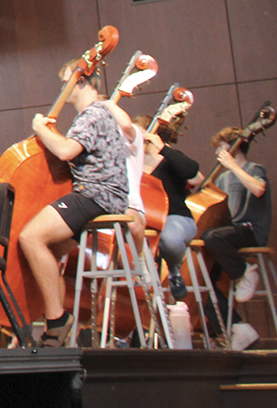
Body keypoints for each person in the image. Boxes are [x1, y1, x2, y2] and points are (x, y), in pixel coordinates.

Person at [13, 59, 131, 348]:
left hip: (97, 194)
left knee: (30, 237)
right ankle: (47, 316)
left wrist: (40, 128)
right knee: (47, 249)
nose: (62, 90)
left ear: (80, 81)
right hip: (103, 195)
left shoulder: (93, 114)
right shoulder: (99, 113)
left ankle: (58, 321)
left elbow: (66, 151)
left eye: (65, 82)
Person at [200, 125, 268, 351]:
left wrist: (232, 166)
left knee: (212, 237)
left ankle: (244, 273)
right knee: (202, 281)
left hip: (250, 231)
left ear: (231, 147)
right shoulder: (223, 178)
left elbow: (258, 189)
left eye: (220, 146)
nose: (217, 152)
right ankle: (238, 328)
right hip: (229, 235)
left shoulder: (254, 169)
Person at [141, 102, 201, 298]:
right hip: (144, 224)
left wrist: (164, 149)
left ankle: (174, 272)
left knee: (170, 240)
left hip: (177, 218)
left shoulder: (168, 159)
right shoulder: (131, 163)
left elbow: (192, 172)